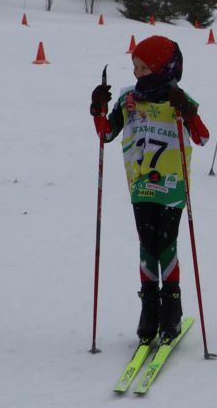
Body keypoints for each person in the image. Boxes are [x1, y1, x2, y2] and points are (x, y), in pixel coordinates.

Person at [90, 35, 210, 344]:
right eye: (134, 67)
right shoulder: (127, 99)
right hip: (140, 184)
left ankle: (171, 310)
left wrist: (188, 112)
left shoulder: (177, 98)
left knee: (166, 244)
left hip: (172, 187)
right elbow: (106, 134)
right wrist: (97, 110)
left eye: (143, 68)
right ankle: (149, 311)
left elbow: (202, 137)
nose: (136, 74)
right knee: (147, 244)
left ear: (162, 68)